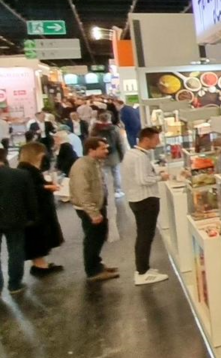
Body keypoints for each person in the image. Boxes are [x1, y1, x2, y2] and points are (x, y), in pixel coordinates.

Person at [121, 127, 170, 286]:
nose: (158, 142)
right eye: (156, 139)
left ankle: (143, 268)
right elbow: (143, 180)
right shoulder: (140, 157)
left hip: (136, 199)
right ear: (146, 139)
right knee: (145, 236)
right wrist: (160, 177)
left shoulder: (132, 154)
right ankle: (142, 271)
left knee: (143, 235)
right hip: (145, 199)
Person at [68, 137, 118, 282]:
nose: (106, 151)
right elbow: (82, 192)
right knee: (92, 239)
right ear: (91, 150)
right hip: (89, 209)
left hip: (97, 206)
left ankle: (97, 265)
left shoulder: (95, 163)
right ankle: (93, 271)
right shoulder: (82, 166)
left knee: (98, 237)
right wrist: (93, 213)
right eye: (103, 148)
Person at [16, 143, 64, 277]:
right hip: (36, 213)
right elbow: (31, 190)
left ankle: (41, 264)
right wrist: (46, 187)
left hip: (36, 212)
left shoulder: (26, 169)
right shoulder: (27, 171)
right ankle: (39, 266)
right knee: (38, 239)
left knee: (39, 239)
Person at [0, 162, 36, 294]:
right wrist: (32, 217)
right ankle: (14, 284)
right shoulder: (20, 175)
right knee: (16, 250)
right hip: (15, 219)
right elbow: (30, 199)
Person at [89, 110, 125, 239]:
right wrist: (122, 155)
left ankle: (106, 190)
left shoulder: (95, 129)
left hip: (101, 156)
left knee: (104, 173)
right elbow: (120, 143)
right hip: (114, 154)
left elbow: (91, 141)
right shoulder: (114, 129)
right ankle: (118, 190)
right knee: (116, 172)